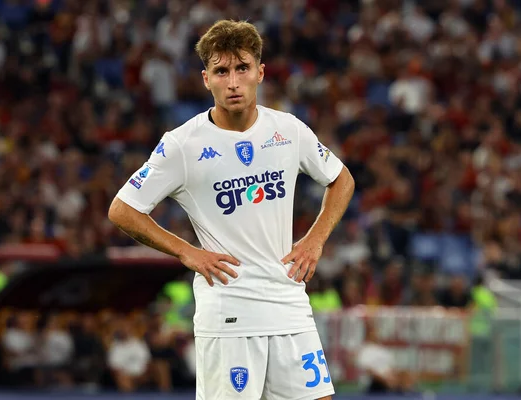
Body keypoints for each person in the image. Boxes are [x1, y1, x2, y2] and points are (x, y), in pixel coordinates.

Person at [108, 19, 355, 400]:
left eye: (242, 68)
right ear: (206, 79)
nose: (233, 82)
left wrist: (315, 240)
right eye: (221, 71)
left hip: (288, 300)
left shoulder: (288, 130)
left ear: (260, 72)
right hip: (229, 311)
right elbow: (122, 209)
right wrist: (187, 252)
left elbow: (342, 180)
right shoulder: (182, 145)